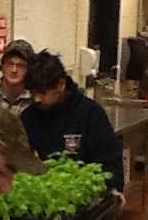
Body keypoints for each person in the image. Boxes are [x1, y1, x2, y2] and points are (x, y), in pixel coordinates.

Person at [20, 50, 126, 209]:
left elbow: (110, 162)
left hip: (84, 204)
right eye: (33, 93)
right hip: (39, 203)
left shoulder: (91, 114)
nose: (37, 99)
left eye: (42, 93)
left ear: (61, 85)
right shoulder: (28, 118)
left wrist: (113, 189)